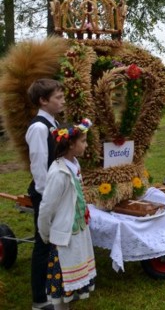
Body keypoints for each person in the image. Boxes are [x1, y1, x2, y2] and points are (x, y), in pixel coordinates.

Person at [38, 119, 96, 309]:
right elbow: (47, 207)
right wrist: (45, 233)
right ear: (71, 144)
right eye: (83, 141)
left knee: (72, 280)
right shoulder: (58, 173)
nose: (86, 145)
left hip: (77, 231)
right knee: (62, 284)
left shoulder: (74, 164)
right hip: (64, 236)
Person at [26, 78, 65, 310]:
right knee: (42, 243)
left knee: (53, 242)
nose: (62, 101)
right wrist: (46, 198)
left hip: (56, 191)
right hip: (45, 194)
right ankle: (39, 300)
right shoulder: (39, 128)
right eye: (57, 98)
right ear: (43, 100)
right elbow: (39, 167)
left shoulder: (53, 123)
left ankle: (54, 287)